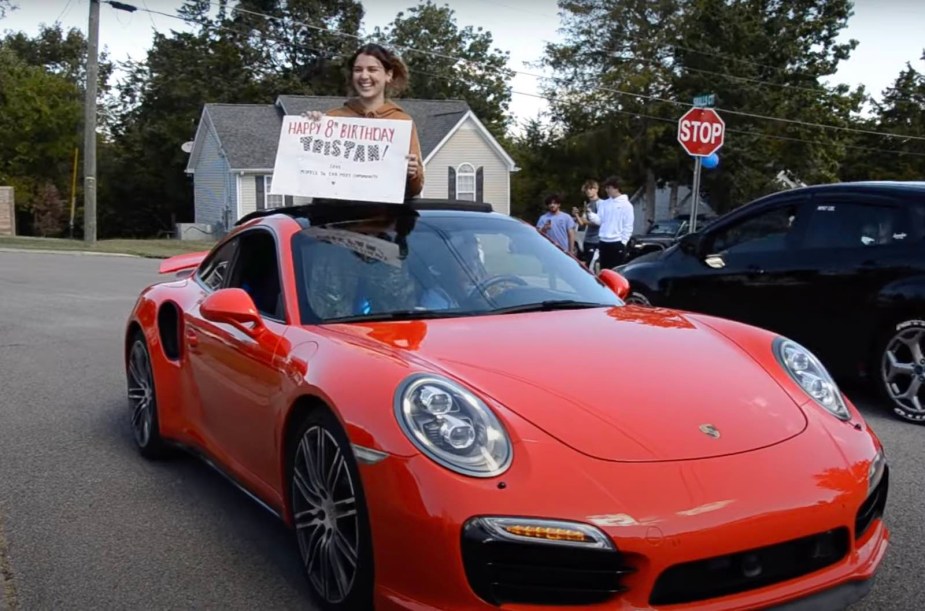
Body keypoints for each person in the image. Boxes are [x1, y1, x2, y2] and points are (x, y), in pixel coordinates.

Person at [303, 43, 424, 198]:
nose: (364, 76)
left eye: (372, 69)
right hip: (336, 218)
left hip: (385, 219)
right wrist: (309, 129)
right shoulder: (332, 119)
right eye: (358, 70)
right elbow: (312, 173)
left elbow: (415, 189)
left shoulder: (402, 122)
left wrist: (412, 173)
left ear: (388, 75)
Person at [590, 176, 634, 270]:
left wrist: (623, 242)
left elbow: (628, 225)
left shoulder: (626, 205)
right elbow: (599, 220)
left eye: (609, 188)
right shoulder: (604, 203)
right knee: (604, 270)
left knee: (615, 271)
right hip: (603, 242)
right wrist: (590, 214)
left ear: (616, 188)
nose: (607, 190)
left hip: (617, 242)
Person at [572, 179, 601, 269]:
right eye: (587, 189)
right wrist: (576, 215)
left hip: (599, 239)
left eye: (591, 188)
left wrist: (586, 221)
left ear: (596, 189)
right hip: (588, 239)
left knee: (597, 265)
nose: (589, 191)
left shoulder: (601, 204)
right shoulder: (588, 205)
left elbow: (600, 222)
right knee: (589, 265)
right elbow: (582, 223)